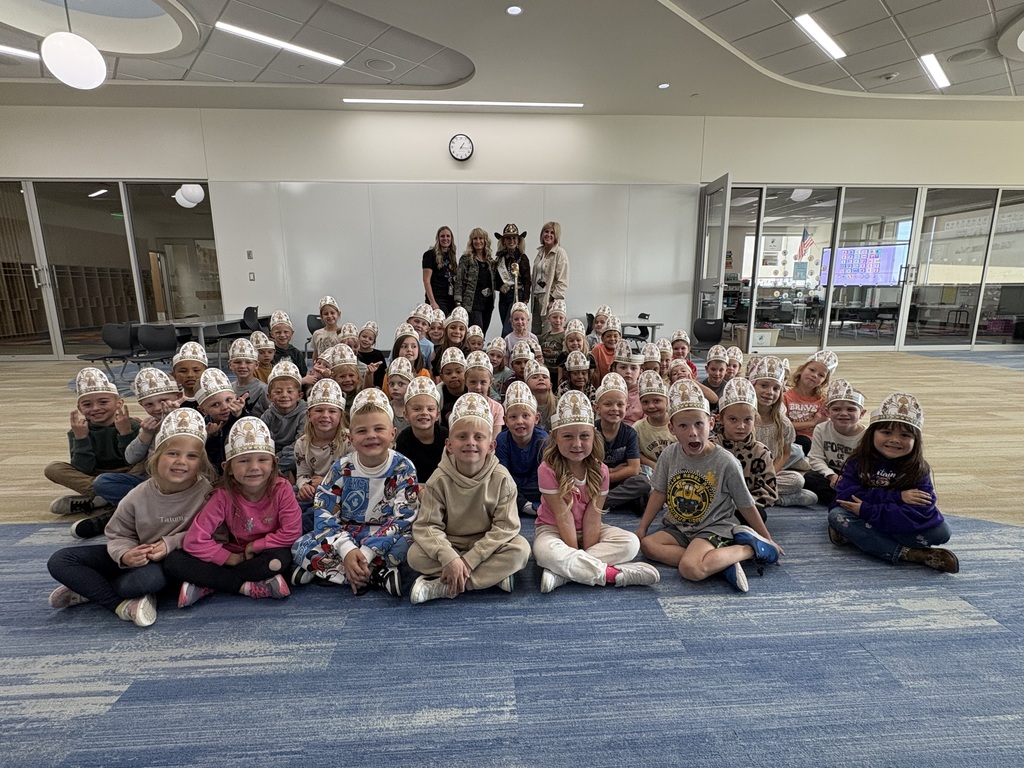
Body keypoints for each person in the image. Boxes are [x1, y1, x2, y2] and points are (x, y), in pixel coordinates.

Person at [46, 408, 215, 627]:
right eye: (173, 453)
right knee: (61, 560)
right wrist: (125, 554)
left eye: (191, 456)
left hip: (173, 563)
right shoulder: (138, 493)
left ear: (201, 463)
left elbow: (214, 534)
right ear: (156, 456)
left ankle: (95, 591)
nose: (181, 461)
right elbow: (117, 532)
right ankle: (119, 603)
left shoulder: (206, 493)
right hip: (136, 555)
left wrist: (170, 543)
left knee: (142, 582)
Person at [636, 380, 784, 594]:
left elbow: (745, 504)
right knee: (648, 546)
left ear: (711, 423)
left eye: (699, 424)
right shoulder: (669, 455)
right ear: (671, 428)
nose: (693, 433)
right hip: (679, 526)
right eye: (683, 426)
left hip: (713, 527)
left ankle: (748, 550)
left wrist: (766, 537)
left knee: (691, 569)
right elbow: (659, 492)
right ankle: (720, 564)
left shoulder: (725, 461)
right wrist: (642, 528)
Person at [290, 388, 419, 594]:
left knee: (412, 547)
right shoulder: (341, 468)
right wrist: (347, 549)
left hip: (383, 536)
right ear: (350, 437)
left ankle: (329, 572)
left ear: (392, 433)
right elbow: (324, 511)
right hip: (346, 533)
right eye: (362, 431)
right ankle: (377, 575)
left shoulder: (403, 467)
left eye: (379, 429)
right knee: (299, 545)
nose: (371, 436)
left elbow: (404, 517)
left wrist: (367, 552)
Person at [407, 393, 531, 603]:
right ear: (449, 444)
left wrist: (468, 560)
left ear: (491, 445)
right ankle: (490, 579)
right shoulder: (438, 480)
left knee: (521, 550)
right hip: (450, 542)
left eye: (479, 437)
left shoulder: (502, 479)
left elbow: (505, 528)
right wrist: (449, 556)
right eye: (462, 436)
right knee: (414, 554)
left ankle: (444, 585)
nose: (470, 443)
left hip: (487, 545)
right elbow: (427, 526)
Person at [165, 417, 302, 606]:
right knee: (173, 561)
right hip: (234, 554)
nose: (253, 467)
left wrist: (256, 546)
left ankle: (209, 583)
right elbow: (194, 540)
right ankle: (246, 587)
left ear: (273, 464)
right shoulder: (223, 495)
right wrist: (229, 558)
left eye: (262, 459)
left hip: (265, 554)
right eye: (243, 461)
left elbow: (292, 533)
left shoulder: (282, 489)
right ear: (227, 468)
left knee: (279, 561)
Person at [533, 390, 660, 593]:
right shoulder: (547, 469)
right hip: (554, 529)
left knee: (631, 543)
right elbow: (563, 517)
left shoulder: (600, 470)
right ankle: (613, 575)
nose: (577, 444)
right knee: (543, 552)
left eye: (584, 436)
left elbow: (593, 517)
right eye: (568, 436)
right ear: (555, 437)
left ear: (594, 436)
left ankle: (564, 573)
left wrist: (577, 555)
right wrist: (576, 551)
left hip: (590, 530)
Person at [828, 392, 958, 573]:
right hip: (869, 515)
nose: (895, 440)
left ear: (915, 441)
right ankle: (909, 554)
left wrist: (870, 508)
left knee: (942, 532)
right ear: (872, 433)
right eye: (886, 432)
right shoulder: (858, 461)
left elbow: (923, 509)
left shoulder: (919, 469)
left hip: (885, 518)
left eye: (905, 435)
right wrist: (898, 497)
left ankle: (863, 537)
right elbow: (845, 496)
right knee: (837, 516)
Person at [87, 368, 183, 537]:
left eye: (163, 400)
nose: (157, 408)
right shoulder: (150, 424)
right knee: (103, 482)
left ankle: (130, 514)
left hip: (182, 486)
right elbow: (131, 458)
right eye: (149, 404)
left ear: (178, 397)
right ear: (141, 405)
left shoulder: (189, 417)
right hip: (151, 484)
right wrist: (145, 435)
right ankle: (142, 512)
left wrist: (173, 422)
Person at [45, 367, 140, 518]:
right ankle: (108, 495)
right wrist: (81, 439)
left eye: (103, 402)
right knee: (53, 468)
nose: (96, 408)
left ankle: (99, 500)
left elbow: (134, 459)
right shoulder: (78, 430)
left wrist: (125, 433)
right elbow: (83, 468)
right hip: (96, 477)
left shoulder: (132, 424)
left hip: (129, 472)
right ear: (80, 408)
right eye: (87, 405)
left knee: (152, 459)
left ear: (119, 403)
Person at [749, 355, 816, 508]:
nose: (769, 392)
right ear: (753, 386)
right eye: (764, 385)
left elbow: (785, 453)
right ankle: (776, 498)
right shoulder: (744, 419)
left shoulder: (784, 423)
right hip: (742, 472)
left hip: (768, 473)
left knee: (797, 480)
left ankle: (755, 497)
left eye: (776, 388)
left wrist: (769, 474)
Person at [712, 377, 777, 520]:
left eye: (747, 420)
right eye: (733, 419)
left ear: (755, 419)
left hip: (745, 508)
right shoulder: (710, 448)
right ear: (721, 419)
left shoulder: (761, 452)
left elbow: (768, 492)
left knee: (759, 515)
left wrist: (739, 505)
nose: (741, 426)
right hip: (712, 508)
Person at [295, 379, 348, 533]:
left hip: (339, 494)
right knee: (289, 500)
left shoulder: (349, 441)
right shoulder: (302, 443)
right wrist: (304, 485)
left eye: (332, 411)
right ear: (309, 414)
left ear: (341, 415)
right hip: (313, 489)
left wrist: (326, 483)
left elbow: (352, 477)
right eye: (319, 410)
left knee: (310, 516)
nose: (325, 415)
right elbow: (302, 473)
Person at [804, 379, 866, 506]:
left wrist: (848, 479)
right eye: (837, 409)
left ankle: (842, 500)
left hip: (855, 476)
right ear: (828, 412)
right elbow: (815, 458)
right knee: (810, 478)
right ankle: (847, 501)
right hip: (831, 473)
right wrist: (831, 476)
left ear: (862, 413)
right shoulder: (821, 429)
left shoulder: (868, 435)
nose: (843, 413)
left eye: (851, 409)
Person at [595, 373, 649, 515]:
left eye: (620, 404)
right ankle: (619, 500)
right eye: (608, 404)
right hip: (597, 481)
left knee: (642, 482)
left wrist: (609, 473)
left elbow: (633, 469)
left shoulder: (630, 433)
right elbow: (591, 469)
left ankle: (602, 502)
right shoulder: (592, 432)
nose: (615, 408)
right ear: (597, 408)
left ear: (627, 407)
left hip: (621, 481)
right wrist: (614, 471)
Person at [495, 381, 546, 518]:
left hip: (536, 487)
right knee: (496, 486)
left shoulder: (543, 440)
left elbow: (542, 475)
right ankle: (525, 506)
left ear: (536, 418)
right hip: (510, 486)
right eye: (513, 417)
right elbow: (503, 476)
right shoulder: (501, 440)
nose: (519, 421)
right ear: (505, 420)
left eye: (525, 416)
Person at [260, 361, 307, 482]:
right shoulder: (268, 414)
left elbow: (300, 442)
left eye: (290, 391)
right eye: (278, 392)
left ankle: (273, 472)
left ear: (300, 395)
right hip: (274, 454)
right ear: (269, 397)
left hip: (293, 453)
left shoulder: (304, 414)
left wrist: (278, 457)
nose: (284, 395)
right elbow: (261, 438)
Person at [784, 349, 837, 454]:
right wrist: (811, 423)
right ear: (801, 370)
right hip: (791, 438)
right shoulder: (785, 397)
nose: (815, 375)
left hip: (815, 441)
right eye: (812, 370)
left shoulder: (823, 400)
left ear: (824, 382)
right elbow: (785, 425)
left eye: (821, 375)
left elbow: (822, 427)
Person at [396, 376, 447, 483]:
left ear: (437, 414)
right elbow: (402, 474)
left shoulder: (445, 436)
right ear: (406, 415)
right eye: (417, 409)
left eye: (430, 409)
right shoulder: (403, 440)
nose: (424, 412)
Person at [195, 368, 246, 472]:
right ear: (203, 410)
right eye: (215, 404)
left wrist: (239, 415)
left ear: (235, 397)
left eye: (228, 400)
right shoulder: (200, 428)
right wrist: (212, 437)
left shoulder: (242, 416)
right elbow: (206, 459)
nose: (225, 407)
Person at [454, 227, 497, 333]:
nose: (478, 241)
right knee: (476, 331)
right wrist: (458, 301)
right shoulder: (466, 259)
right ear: (471, 241)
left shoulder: (490, 262)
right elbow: (459, 280)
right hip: (472, 304)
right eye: (475, 239)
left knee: (483, 333)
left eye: (481, 238)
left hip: (488, 303)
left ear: (485, 240)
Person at [633, 371, 674, 478]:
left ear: (667, 401)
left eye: (656, 401)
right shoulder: (637, 428)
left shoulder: (678, 424)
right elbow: (636, 453)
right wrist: (654, 465)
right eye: (645, 402)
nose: (651, 406)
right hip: (650, 471)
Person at [532, 222, 570, 335]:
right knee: (536, 331)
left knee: (548, 331)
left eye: (552, 232)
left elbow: (563, 281)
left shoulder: (560, 253)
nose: (548, 234)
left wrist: (553, 298)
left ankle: (548, 353)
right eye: (546, 231)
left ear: (557, 236)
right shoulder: (540, 253)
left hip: (549, 298)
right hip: (536, 296)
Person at [494, 223, 531, 336]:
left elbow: (527, 281)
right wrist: (500, 286)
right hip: (504, 296)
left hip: (516, 294)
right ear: (504, 241)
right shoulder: (500, 259)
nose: (511, 241)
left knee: (507, 330)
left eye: (514, 238)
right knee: (508, 327)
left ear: (518, 240)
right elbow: (495, 279)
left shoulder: (522, 258)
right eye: (508, 238)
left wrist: (525, 300)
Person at [384, 323, 431, 399]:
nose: (409, 350)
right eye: (404, 346)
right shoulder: (388, 374)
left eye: (414, 346)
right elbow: (387, 398)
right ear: (396, 350)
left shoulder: (424, 373)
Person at [464, 350, 504, 440]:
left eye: (483, 382)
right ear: (465, 381)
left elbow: (495, 439)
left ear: (490, 382)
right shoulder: (460, 405)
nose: (478, 387)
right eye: (473, 382)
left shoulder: (497, 409)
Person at [228, 338, 268, 417]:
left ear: (256, 365)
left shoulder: (263, 390)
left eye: (248, 362)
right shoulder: (229, 389)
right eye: (237, 362)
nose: (242, 366)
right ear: (230, 365)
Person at [422, 225, 458, 314]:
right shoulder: (430, 255)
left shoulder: (451, 256)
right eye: (442, 236)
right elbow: (426, 280)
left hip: (450, 298)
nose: (445, 238)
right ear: (438, 238)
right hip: (437, 297)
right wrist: (432, 302)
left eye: (448, 236)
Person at [612, 340, 645, 426]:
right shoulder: (608, 391)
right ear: (614, 369)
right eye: (623, 367)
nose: (628, 372)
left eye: (633, 368)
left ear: (640, 372)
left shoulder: (644, 393)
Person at [432, 306, 470, 377]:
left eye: (461, 329)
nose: (457, 332)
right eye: (453, 327)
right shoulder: (436, 350)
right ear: (445, 330)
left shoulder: (468, 354)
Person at [269, 310, 307, 378]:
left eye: (286, 332)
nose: (282, 335)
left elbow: (303, 374)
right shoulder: (270, 353)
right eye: (278, 332)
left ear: (292, 333)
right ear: (272, 334)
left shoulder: (297, 354)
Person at [437, 346, 468, 426]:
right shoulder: (438, 393)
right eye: (448, 373)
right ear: (442, 377)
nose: (453, 376)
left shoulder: (471, 390)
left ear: (466, 374)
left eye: (458, 372)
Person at [524, 359, 556, 432]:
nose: (541, 379)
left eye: (544, 377)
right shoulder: (523, 406)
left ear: (551, 385)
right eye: (535, 377)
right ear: (526, 385)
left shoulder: (559, 404)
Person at [385, 357, 414, 433]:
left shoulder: (415, 409)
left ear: (410, 385)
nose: (395, 388)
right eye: (391, 384)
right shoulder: (386, 409)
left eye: (400, 384)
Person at [539, 299, 567, 376]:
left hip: (559, 372)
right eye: (554, 317)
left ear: (565, 319)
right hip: (546, 372)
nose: (558, 320)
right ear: (548, 319)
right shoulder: (544, 337)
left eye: (561, 318)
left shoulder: (565, 336)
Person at [356, 320, 388, 389]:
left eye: (370, 339)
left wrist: (379, 386)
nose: (366, 340)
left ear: (373, 342)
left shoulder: (378, 354)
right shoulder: (355, 353)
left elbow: (382, 374)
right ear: (359, 337)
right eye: (364, 336)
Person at [589, 315, 621, 382]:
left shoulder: (622, 350)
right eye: (608, 336)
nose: (612, 339)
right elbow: (595, 373)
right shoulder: (597, 349)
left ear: (620, 338)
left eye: (615, 336)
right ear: (602, 339)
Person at [486, 337, 513, 402]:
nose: (494, 359)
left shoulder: (507, 373)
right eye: (492, 355)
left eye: (499, 357)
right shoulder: (483, 371)